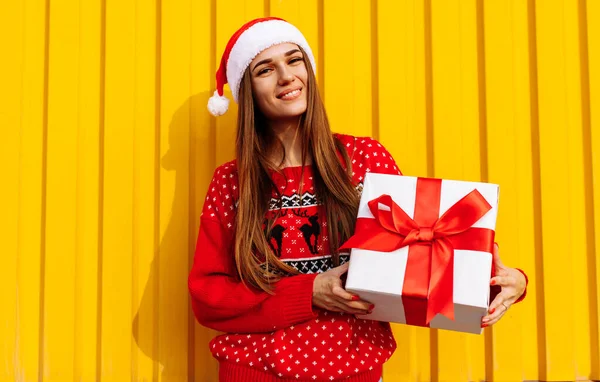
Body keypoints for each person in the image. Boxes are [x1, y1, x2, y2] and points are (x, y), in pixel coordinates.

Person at [188, 17, 528, 382]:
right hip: (254, 369)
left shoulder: (363, 158)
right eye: (265, 70)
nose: (286, 76)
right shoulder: (230, 182)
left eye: (294, 60)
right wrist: (308, 292)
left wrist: (505, 281)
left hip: (354, 368)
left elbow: (425, 247)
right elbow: (208, 298)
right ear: (247, 90)